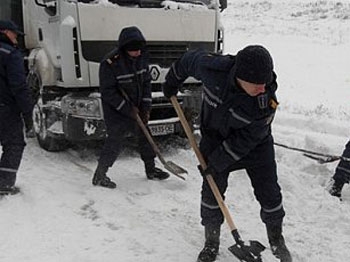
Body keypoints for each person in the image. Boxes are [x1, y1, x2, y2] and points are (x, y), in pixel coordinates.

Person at [163, 46, 292, 262]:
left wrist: (217, 162)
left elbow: (247, 140)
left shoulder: (265, 102)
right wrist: (172, 82)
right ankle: (211, 242)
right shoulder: (213, 69)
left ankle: (276, 239)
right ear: (241, 77)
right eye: (257, 84)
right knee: (211, 193)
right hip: (214, 139)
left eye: (265, 83)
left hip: (256, 145)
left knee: (269, 193)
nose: (263, 88)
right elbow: (186, 61)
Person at [92, 26, 170, 189]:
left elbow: (147, 82)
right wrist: (127, 109)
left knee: (145, 137)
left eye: (139, 50)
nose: (138, 53)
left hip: (138, 105)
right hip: (117, 110)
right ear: (125, 49)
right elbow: (108, 93)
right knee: (115, 141)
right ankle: (100, 175)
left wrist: (146, 107)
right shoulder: (110, 63)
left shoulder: (141, 57)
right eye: (134, 51)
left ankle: (151, 170)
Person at [0, 20, 33, 195]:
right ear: (5, 32)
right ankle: (4, 184)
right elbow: (19, 86)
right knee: (14, 144)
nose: (16, 38)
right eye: (14, 34)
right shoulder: (10, 54)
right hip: (5, 108)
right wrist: (27, 112)